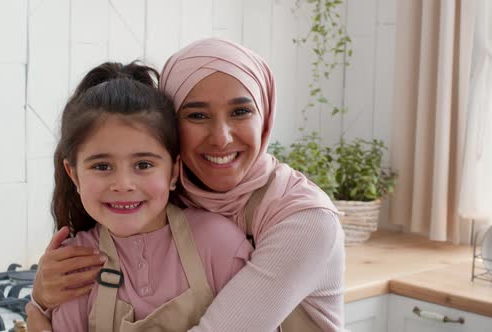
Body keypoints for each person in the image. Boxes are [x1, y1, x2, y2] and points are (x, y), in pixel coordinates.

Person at [27, 38, 345, 332]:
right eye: (197, 115)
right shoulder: (176, 197)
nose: (221, 137)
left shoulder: (306, 221)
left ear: (265, 114)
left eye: (241, 111)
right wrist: (41, 298)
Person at [40, 61, 256, 331]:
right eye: (101, 166)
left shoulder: (220, 245)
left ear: (173, 172)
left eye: (143, 165)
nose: (123, 184)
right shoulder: (72, 265)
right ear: (73, 175)